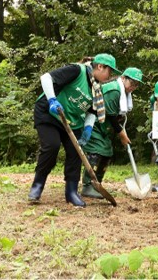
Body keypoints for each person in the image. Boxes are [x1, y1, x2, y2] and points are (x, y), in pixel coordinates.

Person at [28, 53, 122, 207]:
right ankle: (37, 185)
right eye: (109, 71)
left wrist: (87, 129)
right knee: (51, 146)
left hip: (72, 121)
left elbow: (92, 111)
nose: (110, 75)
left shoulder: (97, 88)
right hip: (49, 113)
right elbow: (46, 77)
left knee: (76, 152)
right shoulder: (77, 71)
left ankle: (71, 192)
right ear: (100, 66)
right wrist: (52, 99)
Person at [81, 67, 143, 198]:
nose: (133, 87)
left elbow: (117, 117)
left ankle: (97, 185)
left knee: (107, 152)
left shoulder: (124, 93)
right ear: (123, 78)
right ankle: (87, 186)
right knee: (96, 151)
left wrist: (122, 132)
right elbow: (110, 116)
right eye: (132, 83)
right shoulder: (114, 90)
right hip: (93, 124)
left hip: (103, 127)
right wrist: (122, 135)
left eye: (136, 85)